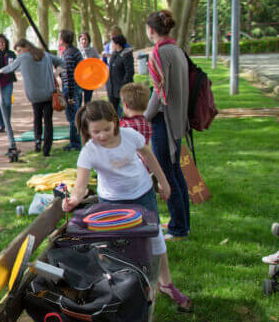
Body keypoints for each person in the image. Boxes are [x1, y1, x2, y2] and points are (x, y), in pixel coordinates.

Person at [62, 100, 192, 311]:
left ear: (115, 122)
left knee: (156, 237)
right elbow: (80, 186)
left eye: (107, 128)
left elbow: (148, 154)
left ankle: (165, 284)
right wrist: (74, 200)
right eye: (96, 131)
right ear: (86, 130)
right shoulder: (89, 151)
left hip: (142, 194)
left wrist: (163, 181)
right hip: (112, 201)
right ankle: (129, 286)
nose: (102, 135)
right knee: (117, 246)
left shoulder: (129, 136)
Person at [144, 10, 191, 240]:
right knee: (175, 172)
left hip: (165, 120)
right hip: (177, 118)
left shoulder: (159, 53)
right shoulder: (177, 49)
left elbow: (159, 93)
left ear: (151, 30)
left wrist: (144, 116)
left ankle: (178, 228)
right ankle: (182, 223)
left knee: (166, 174)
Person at [0, 39, 57, 156]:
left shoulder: (24, 57)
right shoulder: (45, 55)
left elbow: (11, 67)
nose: (19, 54)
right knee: (48, 121)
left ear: (26, 47)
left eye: (19, 50)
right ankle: (47, 149)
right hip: (49, 93)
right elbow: (61, 61)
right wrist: (58, 71)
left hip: (35, 95)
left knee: (37, 119)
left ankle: (37, 142)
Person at [58, 31, 84, 151]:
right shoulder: (75, 52)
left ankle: (75, 143)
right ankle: (75, 141)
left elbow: (69, 75)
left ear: (62, 40)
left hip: (71, 89)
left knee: (73, 117)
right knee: (75, 115)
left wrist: (69, 95)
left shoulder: (68, 54)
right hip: (77, 88)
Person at [0, 35, 16, 134]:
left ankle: (7, 123)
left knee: (7, 102)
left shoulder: (11, 54)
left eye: (3, 42)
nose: (1, 44)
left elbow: (12, 66)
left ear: (6, 43)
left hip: (7, 81)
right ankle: (2, 125)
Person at [106, 34, 134, 113]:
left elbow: (129, 72)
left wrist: (123, 85)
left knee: (125, 110)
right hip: (111, 88)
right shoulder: (114, 54)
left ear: (117, 44)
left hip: (122, 88)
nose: (111, 45)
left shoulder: (126, 55)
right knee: (112, 112)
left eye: (112, 43)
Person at [78, 33, 101, 104]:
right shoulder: (76, 51)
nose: (84, 41)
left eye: (86, 39)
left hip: (90, 79)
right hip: (79, 78)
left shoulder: (93, 50)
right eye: (82, 39)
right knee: (78, 98)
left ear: (88, 40)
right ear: (79, 40)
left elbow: (98, 63)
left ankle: (86, 113)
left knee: (88, 99)